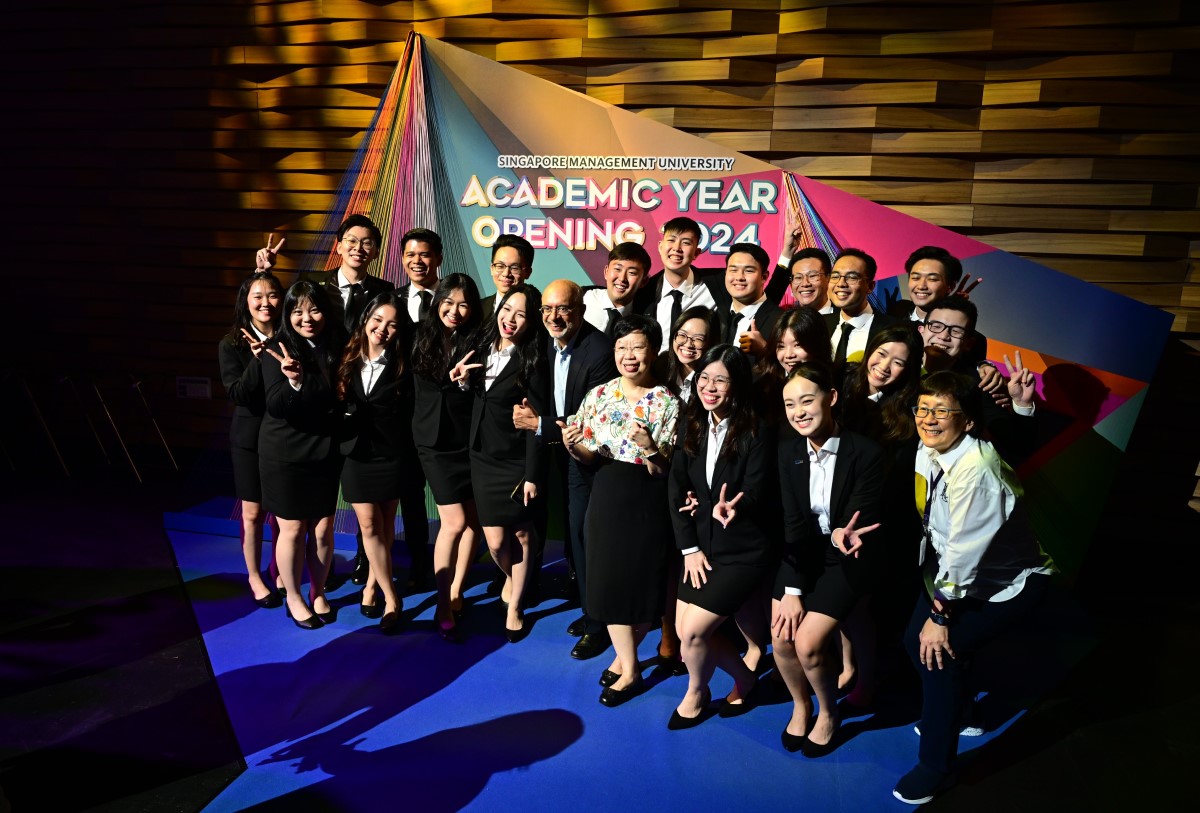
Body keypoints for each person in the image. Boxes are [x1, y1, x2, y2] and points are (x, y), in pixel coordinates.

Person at [893, 371, 1055, 805]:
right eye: (923, 408)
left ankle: (935, 767)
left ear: (966, 421)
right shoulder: (928, 449)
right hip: (950, 570)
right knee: (915, 641)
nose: (928, 419)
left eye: (941, 411)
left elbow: (966, 552)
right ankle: (960, 712)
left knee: (940, 657)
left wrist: (939, 615)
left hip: (1006, 584)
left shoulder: (978, 469)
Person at [561, 315, 680, 706]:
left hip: (648, 500)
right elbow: (588, 457)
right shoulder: (599, 395)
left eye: (638, 347)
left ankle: (625, 657)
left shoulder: (667, 402)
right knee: (609, 583)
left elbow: (663, 469)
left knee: (642, 585)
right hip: (607, 496)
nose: (629, 356)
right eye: (622, 347)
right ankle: (629, 669)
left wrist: (649, 445)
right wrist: (571, 443)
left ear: (653, 351)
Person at [771, 363, 885, 757]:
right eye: (790, 404)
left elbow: (860, 516)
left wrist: (841, 533)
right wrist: (791, 588)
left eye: (807, 400)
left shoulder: (866, 453)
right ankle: (801, 706)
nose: (799, 411)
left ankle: (828, 712)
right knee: (781, 637)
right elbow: (792, 523)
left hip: (849, 558)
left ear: (831, 398)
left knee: (808, 642)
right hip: (801, 553)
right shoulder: (788, 452)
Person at [666, 346, 778, 729]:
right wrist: (690, 548)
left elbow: (757, 491)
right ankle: (746, 678)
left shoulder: (757, 431)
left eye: (720, 380)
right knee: (685, 633)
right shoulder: (691, 423)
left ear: (738, 386)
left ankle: (697, 691)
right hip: (701, 547)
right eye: (704, 378)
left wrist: (731, 507)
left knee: (694, 632)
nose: (709, 388)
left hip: (744, 549)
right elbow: (677, 489)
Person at [512, 280, 617, 660]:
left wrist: (538, 424)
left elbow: (590, 420)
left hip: (590, 457)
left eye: (564, 309)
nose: (554, 317)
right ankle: (588, 607)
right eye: (547, 310)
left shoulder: (600, 350)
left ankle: (600, 621)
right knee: (571, 536)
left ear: (581, 311)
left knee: (585, 535)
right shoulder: (539, 343)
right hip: (553, 449)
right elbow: (532, 405)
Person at [454, 283, 550, 643]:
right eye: (507, 310)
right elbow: (480, 399)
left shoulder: (533, 360)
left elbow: (534, 423)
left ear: (531, 322)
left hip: (514, 461)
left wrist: (531, 474)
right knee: (494, 542)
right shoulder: (480, 347)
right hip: (481, 457)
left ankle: (515, 606)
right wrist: (464, 384)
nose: (511, 319)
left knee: (522, 534)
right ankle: (512, 579)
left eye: (521, 314)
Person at [260, 280, 347, 629]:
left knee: (324, 529)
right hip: (285, 451)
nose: (306, 318)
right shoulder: (277, 347)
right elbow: (276, 405)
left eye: (313, 309)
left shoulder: (338, 343)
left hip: (325, 449)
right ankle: (294, 597)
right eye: (297, 311)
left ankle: (319, 591)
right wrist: (294, 381)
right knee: (293, 528)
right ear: (288, 314)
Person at [411, 274, 484, 643]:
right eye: (449, 302)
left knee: (473, 522)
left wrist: (466, 383)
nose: (455, 311)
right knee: (453, 522)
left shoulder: (481, 341)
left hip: (468, 442)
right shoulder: (417, 335)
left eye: (464, 305)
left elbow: (483, 393)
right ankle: (441, 603)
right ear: (437, 300)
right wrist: (448, 376)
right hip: (434, 443)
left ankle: (456, 591)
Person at [335, 292, 410, 633]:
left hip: (390, 455)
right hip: (355, 455)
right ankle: (393, 599)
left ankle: (371, 585)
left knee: (384, 523)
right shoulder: (346, 359)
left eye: (392, 324)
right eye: (378, 320)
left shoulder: (402, 364)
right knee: (368, 525)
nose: (383, 328)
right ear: (366, 320)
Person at [217, 270, 284, 608]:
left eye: (271, 294)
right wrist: (257, 360)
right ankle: (255, 576)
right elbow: (239, 394)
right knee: (253, 514)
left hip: (285, 437)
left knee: (285, 513)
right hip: (248, 438)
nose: (265, 302)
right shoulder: (231, 344)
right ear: (246, 302)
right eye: (257, 296)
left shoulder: (291, 338)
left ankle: (280, 569)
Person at [888, 246, 987, 367]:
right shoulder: (897, 310)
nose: (921, 286)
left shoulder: (971, 340)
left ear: (949, 287)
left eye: (933, 279)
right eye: (915, 278)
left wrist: (984, 366)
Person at [634, 217, 723, 351]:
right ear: (660, 246)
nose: (677, 248)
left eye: (686, 243)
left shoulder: (717, 284)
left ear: (696, 253)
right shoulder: (644, 292)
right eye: (671, 240)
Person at [754, 307, 832, 428]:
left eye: (797, 345)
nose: (789, 355)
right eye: (781, 346)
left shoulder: (836, 382)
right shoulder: (765, 388)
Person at [824, 248, 897, 367]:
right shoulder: (820, 324)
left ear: (870, 286)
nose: (841, 283)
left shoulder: (893, 330)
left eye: (852, 277)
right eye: (835, 276)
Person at [719, 242, 783, 360]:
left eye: (748, 271)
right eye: (733, 270)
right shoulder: (715, 317)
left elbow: (794, 371)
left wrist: (764, 350)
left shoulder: (781, 321)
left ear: (764, 277)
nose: (739, 277)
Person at [583, 242, 651, 337]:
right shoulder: (582, 298)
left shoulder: (643, 320)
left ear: (644, 281)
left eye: (632, 272)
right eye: (617, 269)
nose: (622, 278)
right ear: (606, 272)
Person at [659, 306, 722, 403]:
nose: (688, 344)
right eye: (682, 335)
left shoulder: (715, 381)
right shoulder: (660, 366)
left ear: (711, 343)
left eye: (698, 339)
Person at [480, 234, 534, 320]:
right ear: (492, 269)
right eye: (500, 266)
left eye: (514, 268)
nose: (506, 273)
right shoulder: (477, 309)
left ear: (528, 272)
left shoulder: (538, 312)